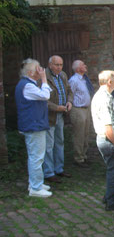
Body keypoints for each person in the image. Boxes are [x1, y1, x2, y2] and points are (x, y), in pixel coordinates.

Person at [91, 70, 114, 211]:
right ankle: (112, 202)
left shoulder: (105, 95)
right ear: (109, 82)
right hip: (109, 141)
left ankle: (110, 196)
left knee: (112, 170)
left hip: (108, 140)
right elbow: (108, 127)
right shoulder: (104, 99)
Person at [16, 59, 53, 197]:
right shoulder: (27, 86)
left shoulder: (27, 84)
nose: (41, 71)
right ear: (31, 72)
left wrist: (42, 80)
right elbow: (46, 95)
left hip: (34, 124)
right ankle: (36, 188)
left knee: (36, 156)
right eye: (38, 69)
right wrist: (44, 79)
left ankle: (36, 182)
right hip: (33, 125)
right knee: (36, 157)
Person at [43, 55, 73, 183]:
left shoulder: (63, 75)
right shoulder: (43, 77)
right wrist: (57, 108)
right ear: (50, 65)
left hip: (61, 114)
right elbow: (43, 100)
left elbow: (69, 91)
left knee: (59, 142)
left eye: (61, 65)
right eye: (56, 65)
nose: (59, 67)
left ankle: (59, 169)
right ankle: (49, 172)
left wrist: (69, 102)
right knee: (49, 145)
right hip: (49, 116)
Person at [68, 60, 94, 168]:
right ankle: (78, 158)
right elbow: (70, 94)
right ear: (78, 68)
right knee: (79, 134)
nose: (85, 66)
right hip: (78, 109)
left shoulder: (84, 79)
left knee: (86, 133)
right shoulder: (74, 80)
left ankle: (84, 155)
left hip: (86, 109)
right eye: (83, 65)